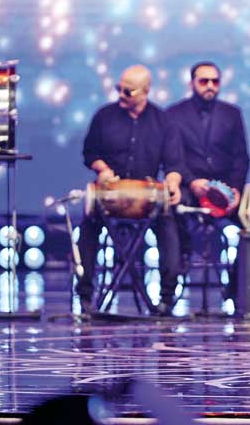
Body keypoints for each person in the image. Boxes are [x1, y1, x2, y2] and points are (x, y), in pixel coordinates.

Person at [77, 65, 186, 316]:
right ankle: (85, 295)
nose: (121, 95)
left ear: (146, 91)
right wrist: (102, 168)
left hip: (146, 197)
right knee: (88, 228)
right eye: (119, 89)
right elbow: (90, 153)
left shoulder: (163, 121)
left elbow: (174, 163)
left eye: (128, 91)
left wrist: (173, 182)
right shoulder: (104, 116)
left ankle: (166, 298)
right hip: (110, 194)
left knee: (169, 225)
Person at [166, 61, 249, 302]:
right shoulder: (174, 114)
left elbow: (241, 157)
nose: (210, 86)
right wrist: (193, 182)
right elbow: (173, 157)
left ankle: (238, 288)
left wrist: (235, 190)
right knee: (170, 213)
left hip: (226, 189)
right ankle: (171, 283)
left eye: (215, 81)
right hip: (189, 187)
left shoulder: (232, 114)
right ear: (192, 83)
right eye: (204, 81)